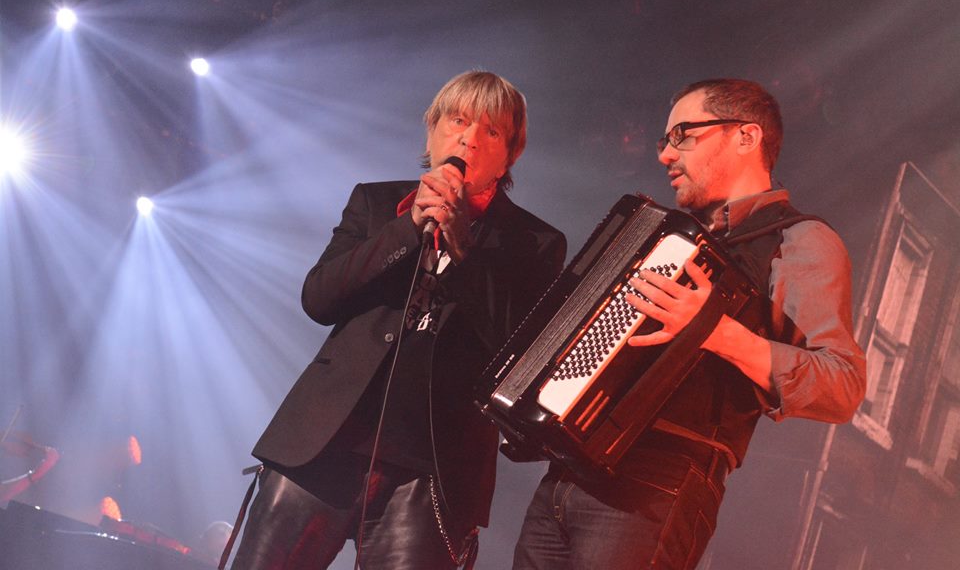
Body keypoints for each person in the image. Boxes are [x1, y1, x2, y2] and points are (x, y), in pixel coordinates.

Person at [511, 79, 866, 570]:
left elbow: (843, 386)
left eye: (683, 135)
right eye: (665, 140)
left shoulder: (801, 240)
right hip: (566, 475)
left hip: (658, 482)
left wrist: (717, 331)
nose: (665, 155)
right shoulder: (673, 240)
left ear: (746, 136)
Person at [230, 70, 566, 569]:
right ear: (432, 132)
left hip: (432, 468)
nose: (469, 139)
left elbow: (520, 354)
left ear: (509, 156)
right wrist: (407, 228)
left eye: (491, 131)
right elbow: (318, 299)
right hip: (322, 445)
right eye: (458, 121)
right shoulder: (375, 204)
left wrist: (463, 247)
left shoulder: (535, 243)